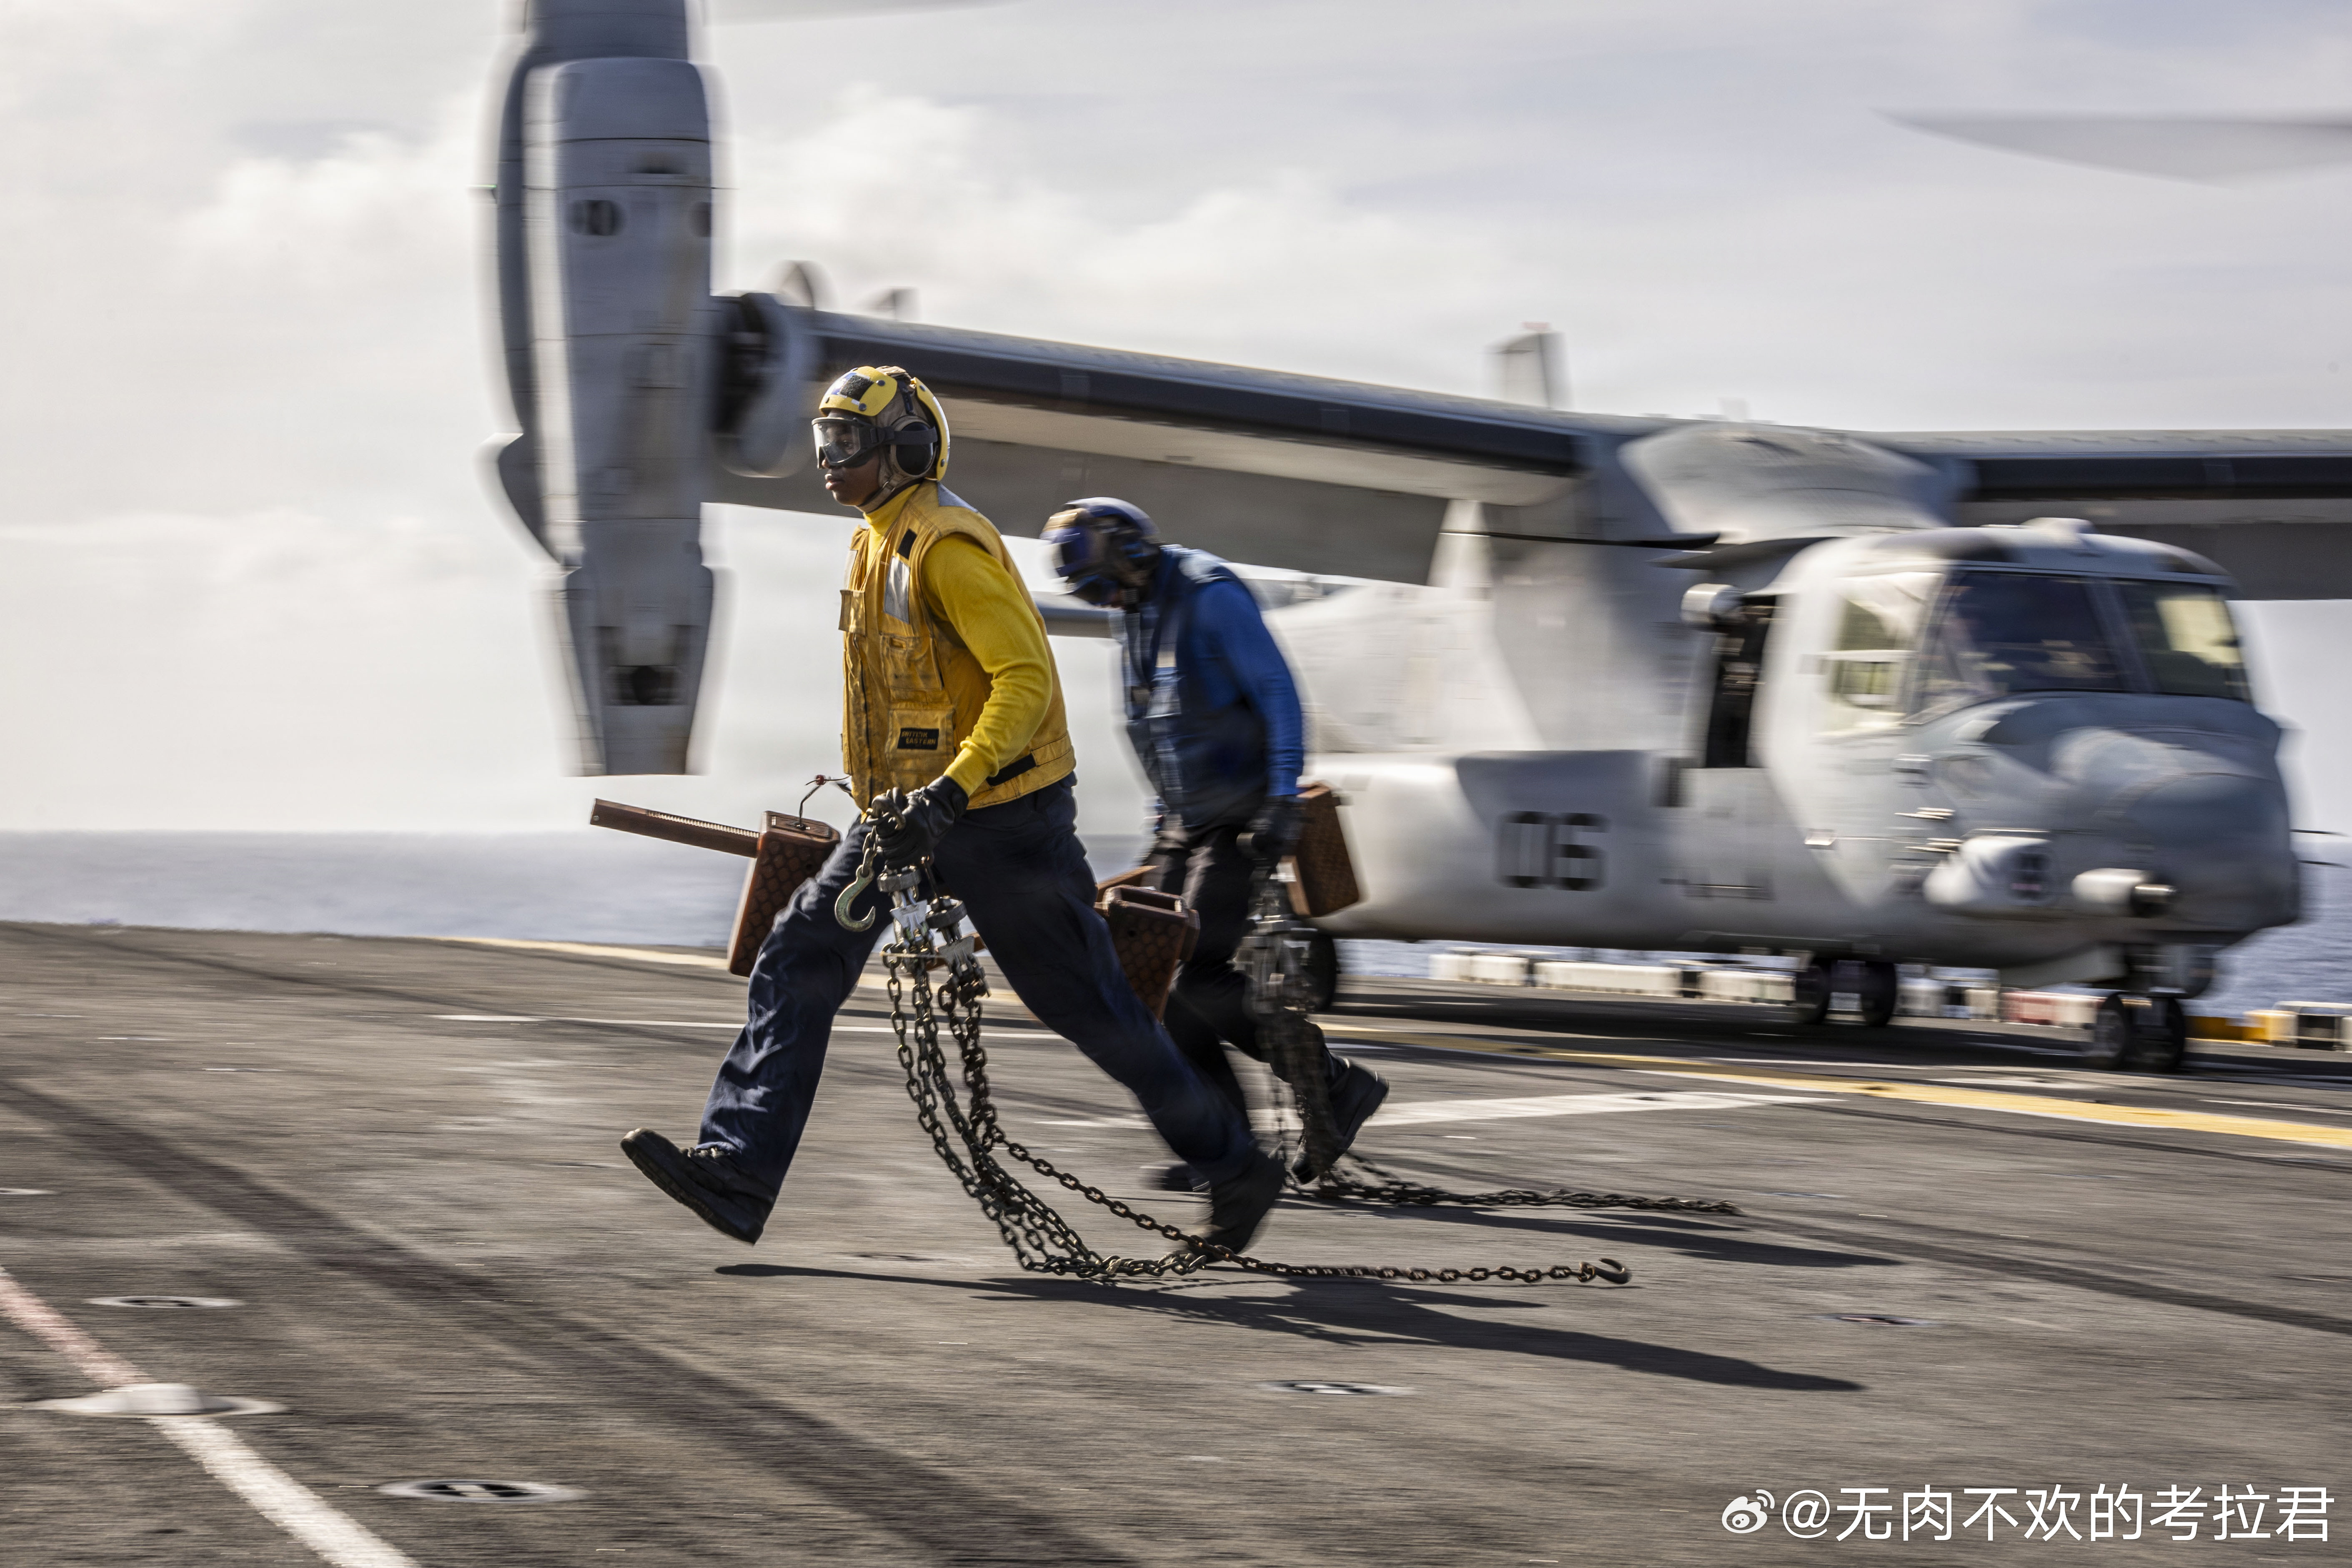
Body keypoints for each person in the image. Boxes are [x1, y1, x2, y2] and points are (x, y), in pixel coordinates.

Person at [622, 368, 1284, 1256]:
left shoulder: (946, 545)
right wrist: (905, 805)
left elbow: (1023, 683)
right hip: (906, 818)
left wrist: (949, 793)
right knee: (798, 958)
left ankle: (1232, 1163)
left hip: (1004, 822)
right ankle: (737, 1167)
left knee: (1094, 1011)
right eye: (823, 440)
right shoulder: (874, 540)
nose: (827, 459)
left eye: (846, 442)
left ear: (907, 448)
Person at [1045, 498, 1388, 1190]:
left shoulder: (1209, 595)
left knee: (1193, 972)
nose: (1106, 602)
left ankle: (1334, 1085)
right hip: (1185, 823)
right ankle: (1225, 1148)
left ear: (1133, 555)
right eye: (1092, 595)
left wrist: (1284, 800)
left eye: (1106, 585)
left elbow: (1279, 695)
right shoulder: (1135, 616)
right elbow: (1152, 727)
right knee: (1147, 984)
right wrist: (1162, 822)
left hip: (1243, 818)